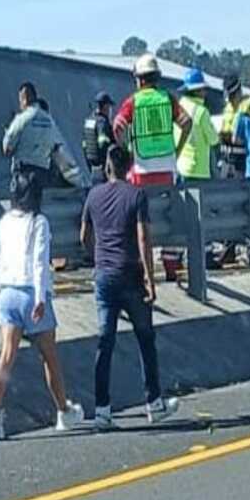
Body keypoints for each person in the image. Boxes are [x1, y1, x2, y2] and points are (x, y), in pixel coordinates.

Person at [80, 146, 180, 429]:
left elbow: (84, 235)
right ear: (129, 168)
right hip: (131, 274)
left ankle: (102, 410)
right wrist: (149, 276)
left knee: (105, 341)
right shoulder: (136, 195)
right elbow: (143, 238)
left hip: (104, 275)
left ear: (107, 167)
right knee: (145, 338)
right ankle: (153, 402)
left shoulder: (94, 195)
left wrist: (97, 257)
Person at [0, 172, 84, 439]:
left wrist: (0, 288)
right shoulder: (39, 222)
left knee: (6, 355)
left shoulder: (4, 221)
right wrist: (39, 298)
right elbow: (40, 261)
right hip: (31, 291)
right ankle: (63, 410)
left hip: (7, 293)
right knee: (49, 357)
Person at [112, 54, 192, 187]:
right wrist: (177, 151)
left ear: (141, 80)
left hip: (141, 170)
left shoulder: (133, 102)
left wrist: (127, 152)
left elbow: (117, 127)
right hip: (167, 169)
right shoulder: (168, 99)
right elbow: (187, 123)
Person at [3, 82, 86, 193]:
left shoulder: (21, 119)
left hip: (24, 174)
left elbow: (7, 149)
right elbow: (57, 146)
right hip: (42, 174)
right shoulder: (49, 120)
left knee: (22, 208)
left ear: (24, 98)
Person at [175, 68, 218, 182]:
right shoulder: (202, 112)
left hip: (180, 168)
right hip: (198, 171)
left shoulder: (178, 107)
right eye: (203, 89)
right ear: (197, 91)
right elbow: (213, 140)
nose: (205, 92)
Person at [218, 76, 249, 179]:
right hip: (226, 159)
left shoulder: (246, 107)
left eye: (232, 96)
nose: (229, 99)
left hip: (241, 160)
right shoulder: (227, 107)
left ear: (238, 92)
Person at [82, 92, 115, 182]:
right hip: (103, 168)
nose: (110, 109)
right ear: (105, 106)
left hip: (91, 167)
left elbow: (85, 145)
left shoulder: (89, 120)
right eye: (109, 106)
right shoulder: (102, 122)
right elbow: (103, 144)